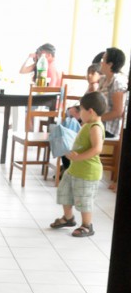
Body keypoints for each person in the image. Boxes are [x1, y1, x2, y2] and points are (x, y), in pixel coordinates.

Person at [49, 91, 107, 237]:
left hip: (87, 172)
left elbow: (97, 148)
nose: (79, 113)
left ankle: (87, 225)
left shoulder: (95, 127)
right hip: (75, 169)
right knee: (64, 192)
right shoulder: (87, 124)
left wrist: (78, 157)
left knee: (84, 199)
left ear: (90, 111)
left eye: (81, 110)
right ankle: (68, 218)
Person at [97, 47, 127, 139]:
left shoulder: (117, 83)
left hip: (108, 128)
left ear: (110, 64)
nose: (101, 62)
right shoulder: (103, 79)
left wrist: (96, 119)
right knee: (73, 122)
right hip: (98, 123)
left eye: (103, 59)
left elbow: (118, 112)